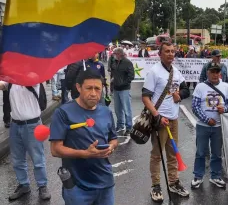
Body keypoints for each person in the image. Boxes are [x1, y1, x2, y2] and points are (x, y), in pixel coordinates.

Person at [50, 69, 118, 205]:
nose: (93, 93)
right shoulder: (63, 113)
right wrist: (85, 153)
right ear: (78, 87)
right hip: (77, 186)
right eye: (89, 88)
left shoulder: (106, 112)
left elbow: (114, 138)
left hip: (105, 182)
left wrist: (111, 146)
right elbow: (55, 150)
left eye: (97, 89)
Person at [142, 42, 190, 202]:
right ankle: (155, 185)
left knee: (172, 152)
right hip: (159, 121)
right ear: (160, 54)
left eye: (172, 51)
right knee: (156, 155)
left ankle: (173, 182)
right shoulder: (154, 72)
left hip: (173, 119)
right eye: (167, 51)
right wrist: (156, 116)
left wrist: (180, 95)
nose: (170, 54)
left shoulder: (176, 72)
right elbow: (145, 97)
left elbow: (185, 90)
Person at [0, 81, 51, 200]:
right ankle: (24, 184)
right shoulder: (10, 81)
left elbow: (35, 80)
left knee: (37, 158)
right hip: (15, 125)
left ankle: (42, 186)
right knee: (17, 159)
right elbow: (2, 85)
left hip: (32, 125)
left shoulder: (32, 79)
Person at [191, 63, 228, 189]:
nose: (215, 74)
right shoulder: (200, 87)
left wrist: (225, 109)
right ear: (207, 73)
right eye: (213, 72)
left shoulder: (225, 86)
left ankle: (215, 176)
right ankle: (198, 176)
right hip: (203, 126)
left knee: (217, 153)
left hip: (219, 126)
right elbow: (194, 107)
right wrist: (206, 119)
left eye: (217, 72)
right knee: (200, 152)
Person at [110, 47, 135, 136]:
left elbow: (131, 76)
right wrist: (112, 85)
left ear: (119, 54)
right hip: (116, 89)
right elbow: (113, 74)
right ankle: (120, 125)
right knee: (117, 109)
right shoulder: (115, 62)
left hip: (124, 89)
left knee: (126, 109)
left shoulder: (127, 62)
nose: (114, 56)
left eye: (115, 54)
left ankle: (129, 127)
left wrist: (123, 83)